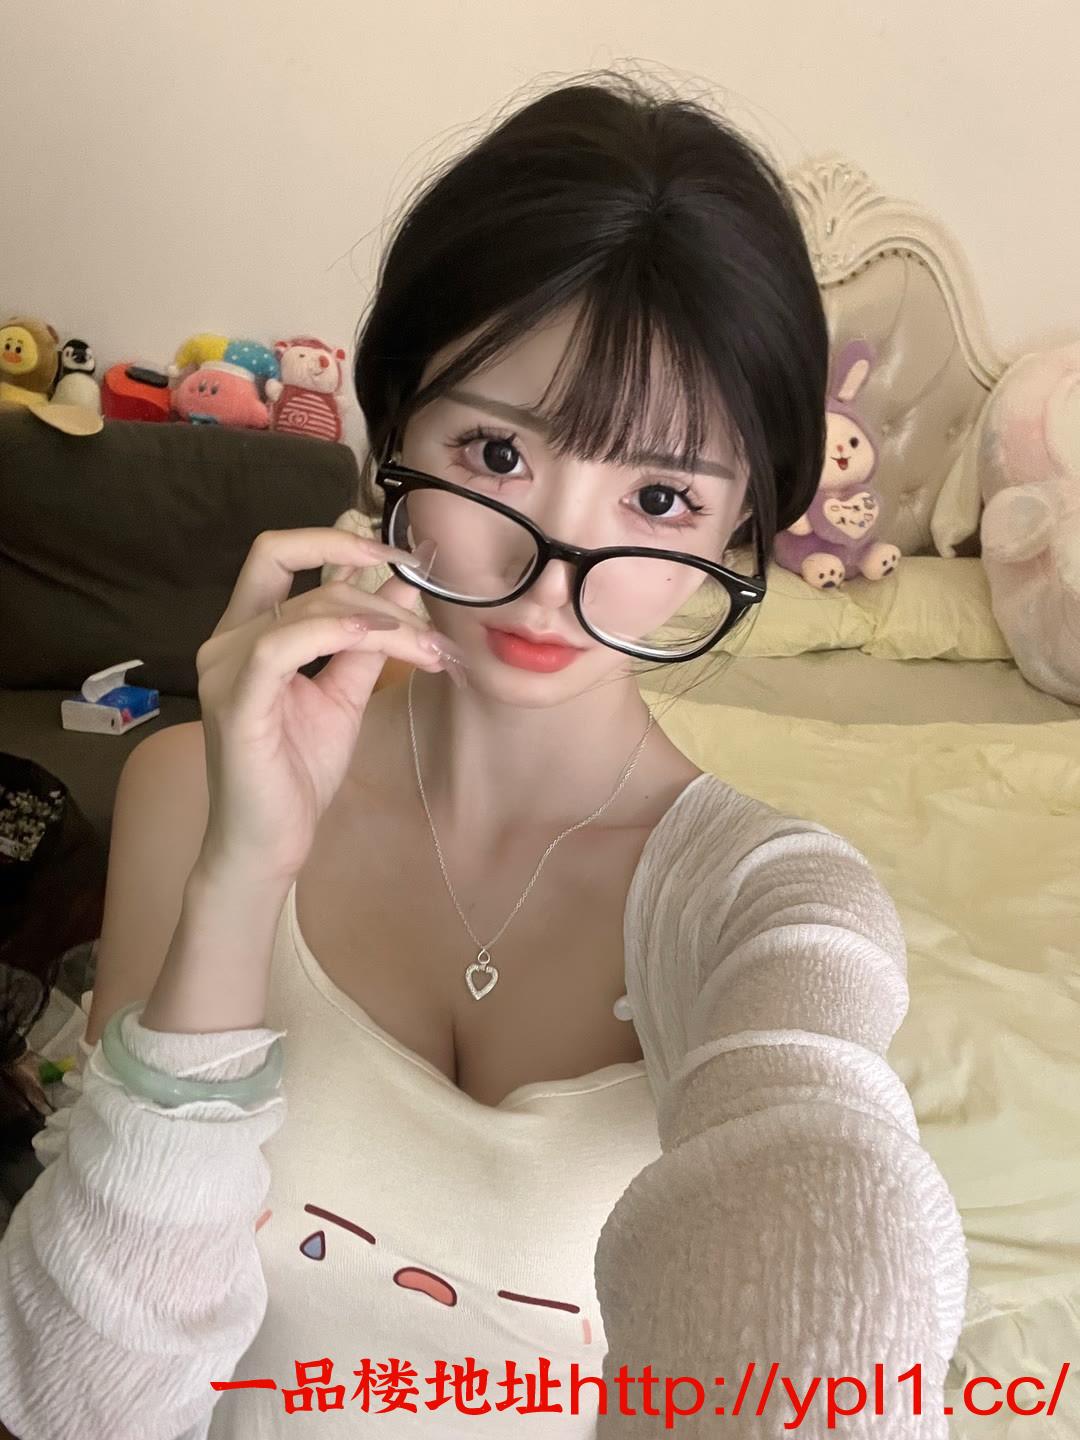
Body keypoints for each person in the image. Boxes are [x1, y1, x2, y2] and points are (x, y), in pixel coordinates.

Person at [0, 70, 968, 1439]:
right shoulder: (187, 793)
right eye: (498, 453)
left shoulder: (772, 907)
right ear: (394, 430)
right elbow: (81, 1403)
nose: (553, 571)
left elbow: (822, 1245)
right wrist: (244, 873)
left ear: (741, 526)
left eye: (657, 495)